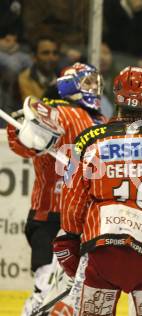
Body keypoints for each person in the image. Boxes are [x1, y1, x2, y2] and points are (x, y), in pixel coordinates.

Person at [53, 66, 142, 315]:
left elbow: (71, 210)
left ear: (116, 93)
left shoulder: (89, 140)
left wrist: (71, 237)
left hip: (101, 253)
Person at [6, 62, 105, 315]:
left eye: (96, 81)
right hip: (52, 216)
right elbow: (23, 143)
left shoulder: (102, 120)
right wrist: (23, 129)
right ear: (70, 85)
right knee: (45, 290)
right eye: (88, 82)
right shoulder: (62, 112)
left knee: (73, 293)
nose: (95, 87)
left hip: (84, 218)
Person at [17, 36, 60, 101]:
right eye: (45, 53)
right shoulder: (25, 78)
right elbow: (31, 106)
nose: (51, 57)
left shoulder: (63, 76)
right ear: (34, 57)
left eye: (55, 53)